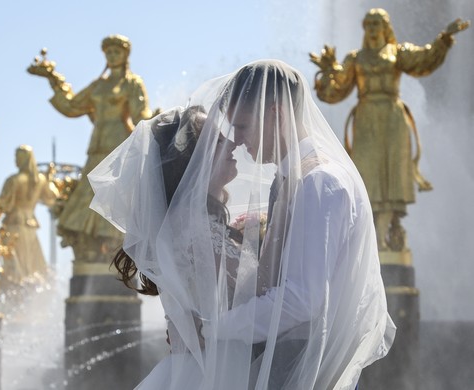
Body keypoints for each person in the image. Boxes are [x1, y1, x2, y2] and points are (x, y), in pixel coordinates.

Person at [89, 60, 395, 389]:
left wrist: (210, 328)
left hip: (305, 369)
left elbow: (300, 298)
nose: (236, 140)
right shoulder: (297, 182)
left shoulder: (317, 181)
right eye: (223, 137)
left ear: (276, 113)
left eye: (243, 126)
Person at [310, 9, 470, 251]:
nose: (372, 28)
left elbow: (423, 61)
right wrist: (328, 71)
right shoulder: (355, 58)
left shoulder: (397, 53)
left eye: (377, 23)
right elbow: (334, 91)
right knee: (367, 173)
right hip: (366, 120)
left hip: (392, 120)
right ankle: (373, 231)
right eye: (369, 24)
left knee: (391, 174)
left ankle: (389, 229)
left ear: (386, 28)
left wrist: (444, 39)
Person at [28, 35, 154, 263]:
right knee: (90, 192)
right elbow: (71, 106)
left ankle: (114, 243)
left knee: (114, 191)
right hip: (97, 144)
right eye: (108, 52)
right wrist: (52, 78)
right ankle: (90, 244)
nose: (112, 56)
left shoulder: (131, 83)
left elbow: (140, 115)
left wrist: (157, 119)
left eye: (117, 52)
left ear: (125, 55)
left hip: (118, 143)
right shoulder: (99, 85)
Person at [0, 145, 60, 283]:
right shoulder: (40, 181)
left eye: (18, 157)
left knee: (16, 270)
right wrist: (49, 179)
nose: (16, 160)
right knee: (33, 269)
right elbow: (52, 197)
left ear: (25, 159)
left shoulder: (14, 180)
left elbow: (1, 205)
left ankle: (16, 292)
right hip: (31, 228)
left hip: (14, 227)